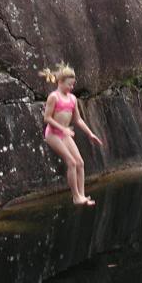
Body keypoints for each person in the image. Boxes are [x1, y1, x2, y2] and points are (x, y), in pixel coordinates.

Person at [40, 63, 104, 206]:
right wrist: (63, 129)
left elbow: (78, 119)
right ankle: (76, 197)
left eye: (73, 85)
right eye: (69, 84)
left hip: (65, 134)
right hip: (53, 135)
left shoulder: (72, 99)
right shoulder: (54, 97)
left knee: (80, 163)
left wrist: (90, 134)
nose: (72, 87)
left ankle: (81, 195)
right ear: (60, 82)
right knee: (72, 162)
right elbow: (47, 118)